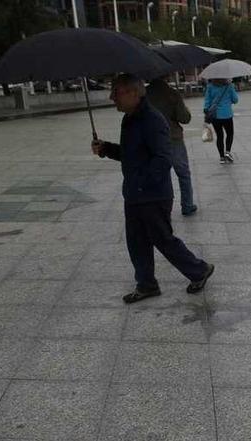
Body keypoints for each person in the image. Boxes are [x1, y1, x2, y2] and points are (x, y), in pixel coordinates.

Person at [91, 73, 214, 304]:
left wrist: (142, 185)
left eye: (115, 92)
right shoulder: (130, 118)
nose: (111, 97)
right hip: (135, 193)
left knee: (162, 238)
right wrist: (107, 148)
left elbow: (162, 159)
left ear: (133, 93)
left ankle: (199, 270)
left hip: (152, 194)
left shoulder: (151, 120)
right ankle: (146, 284)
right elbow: (131, 156)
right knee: (136, 241)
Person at [146, 77, 198, 216]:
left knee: (160, 175)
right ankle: (187, 205)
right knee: (183, 174)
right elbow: (184, 118)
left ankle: (161, 208)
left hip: (153, 141)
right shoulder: (172, 94)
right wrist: (183, 107)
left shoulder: (144, 95)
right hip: (173, 138)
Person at [203, 78, 239, 164]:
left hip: (215, 116)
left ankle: (221, 157)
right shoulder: (229, 86)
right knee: (230, 134)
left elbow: (207, 101)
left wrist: (206, 109)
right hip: (227, 115)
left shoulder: (210, 86)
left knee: (219, 136)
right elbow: (235, 100)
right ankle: (227, 152)